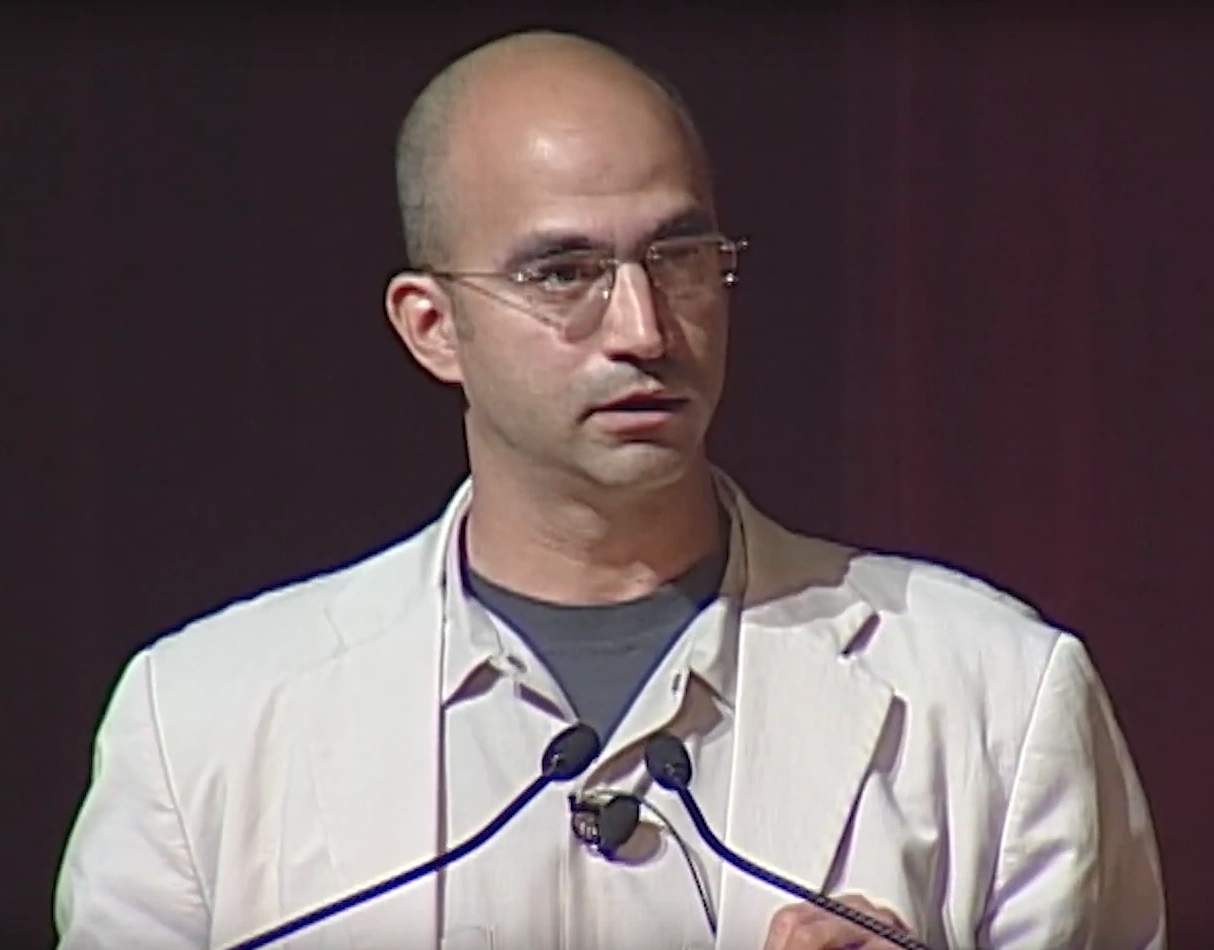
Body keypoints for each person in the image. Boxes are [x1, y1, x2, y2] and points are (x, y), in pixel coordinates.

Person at [53, 28, 1165, 950]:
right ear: (432, 327)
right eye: (564, 273)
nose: (643, 329)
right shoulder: (202, 723)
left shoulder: (993, 697)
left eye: (678, 256)